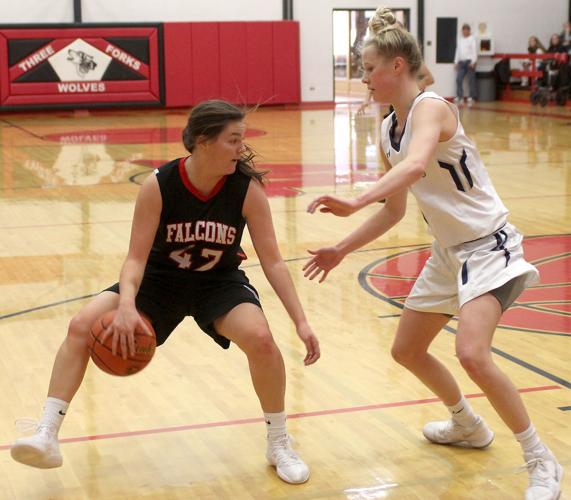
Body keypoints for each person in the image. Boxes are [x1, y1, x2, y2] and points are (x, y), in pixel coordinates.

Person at [302, 7, 563, 500]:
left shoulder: (433, 107)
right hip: (449, 254)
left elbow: (418, 164)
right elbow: (394, 211)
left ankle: (541, 461)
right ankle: (467, 424)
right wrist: (341, 247)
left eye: (369, 67)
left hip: (490, 246)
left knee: (472, 354)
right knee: (406, 350)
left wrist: (355, 197)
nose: (364, 78)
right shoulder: (387, 128)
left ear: (397, 66)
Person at [10, 100, 320, 485]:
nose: (242, 149)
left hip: (217, 282)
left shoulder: (245, 189)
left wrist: (301, 322)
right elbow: (135, 259)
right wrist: (126, 305)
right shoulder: (160, 184)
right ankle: (46, 433)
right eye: (233, 140)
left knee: (261, 340)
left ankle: (278, 442)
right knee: (80, 325)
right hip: (158, 282)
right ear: (204, 142)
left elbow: (272, 262)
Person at [454, 23, 478, 106]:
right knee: (458, 79)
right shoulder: (460, 40)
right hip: (461, 62)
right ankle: (459, 96)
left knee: (471, 80)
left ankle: (471, 96)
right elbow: (457, 51)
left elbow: (474, 51)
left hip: (469, 62)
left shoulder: (472, 39)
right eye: (463, 30)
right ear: (462, 31)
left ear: (469, 31)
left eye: (466, 30)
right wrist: (455, 62)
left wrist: (473, 62)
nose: (465, 31)